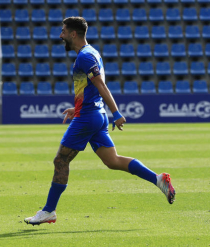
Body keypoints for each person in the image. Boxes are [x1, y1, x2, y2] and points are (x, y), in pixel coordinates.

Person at [24, 17, 175, 226]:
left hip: (87, 118)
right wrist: (77, 107)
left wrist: (116, 112)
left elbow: (101, 85)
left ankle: (49, 210)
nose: (61, 35)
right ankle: (158, 179)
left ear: (73, 34)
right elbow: (92, 88)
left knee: (61, 161)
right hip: (94, 114)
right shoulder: (92, 52)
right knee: (112, 161)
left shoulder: (85, 57)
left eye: (63, 31)